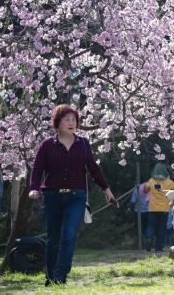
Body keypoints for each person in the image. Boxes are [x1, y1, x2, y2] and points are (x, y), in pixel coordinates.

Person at [29, 104, 116, 286]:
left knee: (68, 234)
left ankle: (60, 276)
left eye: (74, 120)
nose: (71, 123)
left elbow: (93, 168)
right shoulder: (47, 145)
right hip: (52, 196)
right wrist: (34, 188)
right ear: (57, 123)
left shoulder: (83, 143)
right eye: (67, 119)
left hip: (77, 196)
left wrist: (106, 189)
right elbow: (37, 169)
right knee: (53, 238)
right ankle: (50, 275)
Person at [144, 163, 174, 252]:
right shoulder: (168, 182)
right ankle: (159, 247)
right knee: (161, 228)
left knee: (151, 226)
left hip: (152, 208)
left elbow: (145, 190)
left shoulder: (151, 181)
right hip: (164, 209)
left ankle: (149, 238)